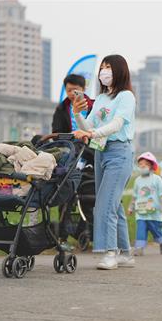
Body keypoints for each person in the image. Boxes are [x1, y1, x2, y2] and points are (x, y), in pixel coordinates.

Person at [73, 54, 136, 270]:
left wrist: (92, 134)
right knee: (114, 203)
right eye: (102, 67)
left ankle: (110, 252)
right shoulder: (100, 99)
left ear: (119, 71)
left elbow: (117, 124)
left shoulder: (126, 97)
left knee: (105, 204)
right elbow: (88, 124)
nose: (104, 71)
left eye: (108, 67)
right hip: (101, 152)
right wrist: (77, 114)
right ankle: (126, 253)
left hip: (119, 153)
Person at [51, 74, 94, 251]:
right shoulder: (61, 109)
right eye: (69, 90)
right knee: (65, 194)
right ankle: (61, 236)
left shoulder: (94, 107)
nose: (72, 93)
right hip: (70, 155)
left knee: (91, 194)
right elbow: (56, 133)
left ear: (83, 90)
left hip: (91, 154)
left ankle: (92, 231)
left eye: (75, 90)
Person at [128, 152, 162, 256]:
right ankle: (139, 248)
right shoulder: (137, 181)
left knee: (156, 231)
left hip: (154, 213)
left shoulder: (157, 179)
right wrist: (131, 207)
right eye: (140, 164)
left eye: (145, 164)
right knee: (140, 229)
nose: (142, 166)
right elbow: (135, 196)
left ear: (151, 166)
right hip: (141, 212)